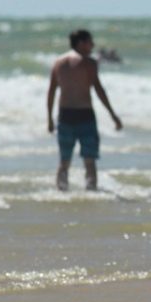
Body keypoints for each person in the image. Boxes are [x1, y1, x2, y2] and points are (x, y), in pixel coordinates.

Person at [46, 29, 123, 191]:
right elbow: (99, 90)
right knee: (89, 160)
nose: (93, 45)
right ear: (81, 43)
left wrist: (50, 119)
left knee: (64, 161)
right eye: (90, 42)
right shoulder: (89, 63)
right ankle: (91, 192)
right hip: (85, 116)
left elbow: (51, 91)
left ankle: (62, 193)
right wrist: (113, 115)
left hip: (64, 115)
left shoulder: (59, 62)